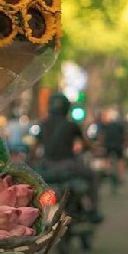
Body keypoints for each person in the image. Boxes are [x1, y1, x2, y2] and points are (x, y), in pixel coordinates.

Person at [37, 93, 103, 222]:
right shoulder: (72, 125)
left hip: (47, 167)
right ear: (67, 108)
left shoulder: (42, 125)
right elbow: (87, 144)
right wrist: (95, 148)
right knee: (92, 176)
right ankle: (93, 211)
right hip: (69, 166)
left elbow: (33, 148)